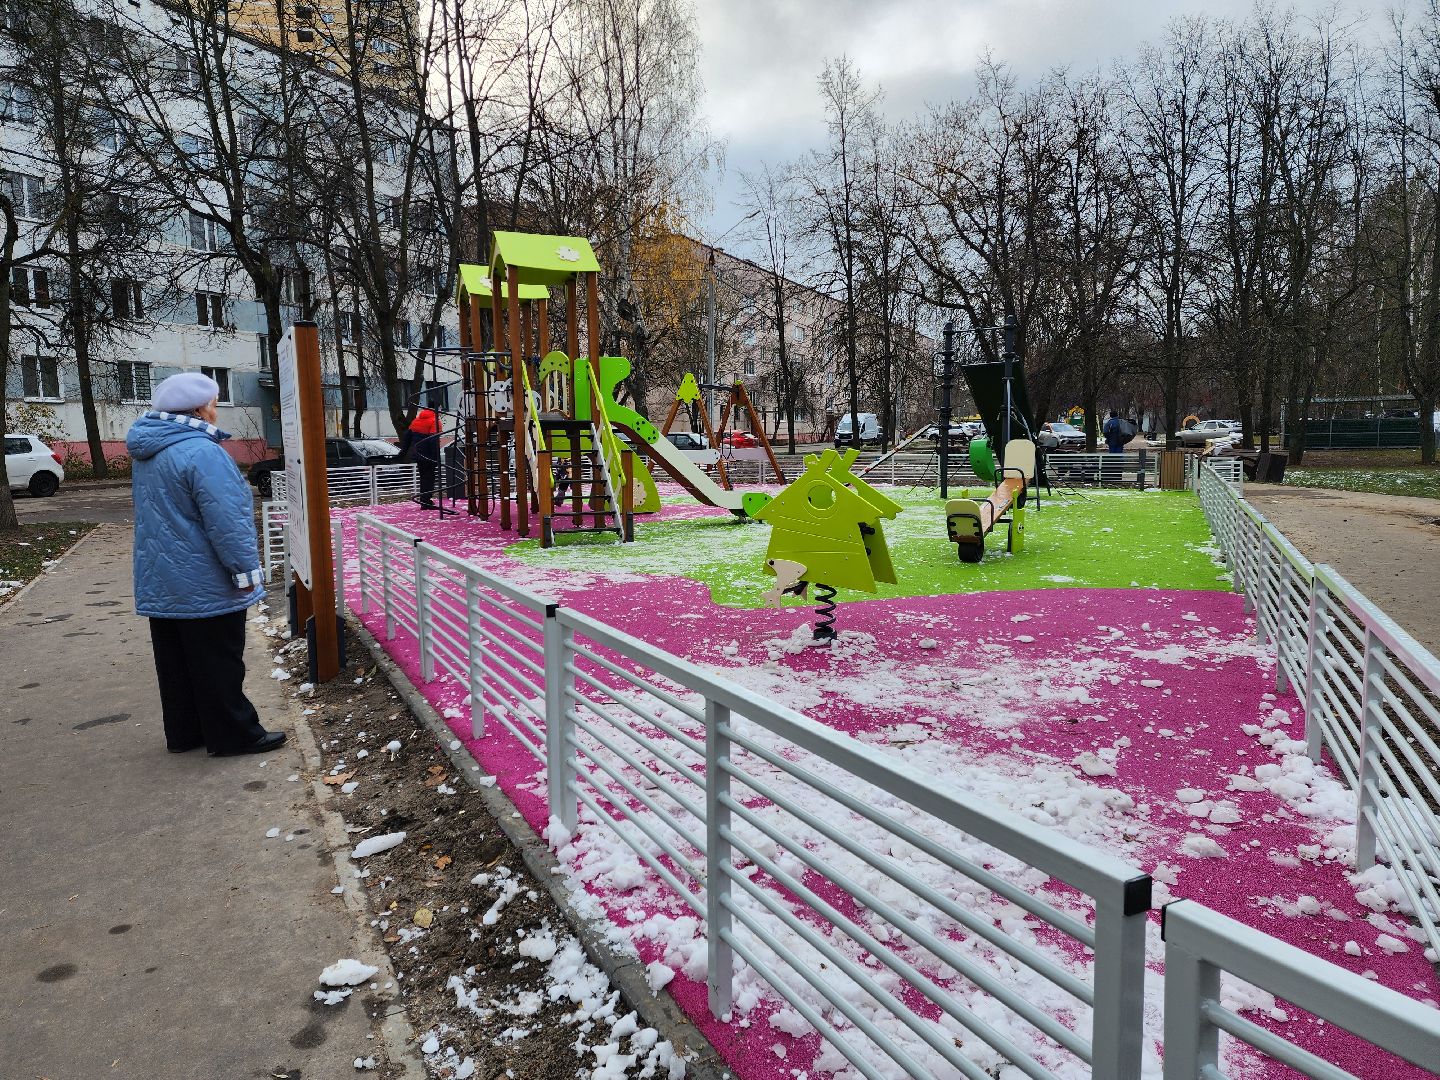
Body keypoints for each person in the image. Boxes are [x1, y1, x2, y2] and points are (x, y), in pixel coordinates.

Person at [126, 372, 283, 756]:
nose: (215, 410)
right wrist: (245, 573)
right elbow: (228, 521)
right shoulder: (203, 452)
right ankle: (235, 734)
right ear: (199, 408)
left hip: (162, 577)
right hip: (204, 578)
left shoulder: (149, 451)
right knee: (219, 661)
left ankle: (186, 733)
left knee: (176, 662)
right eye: (213, 402)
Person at [401, 406, 440, 509]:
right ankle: (426, 501)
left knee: (423, 478)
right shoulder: (435, 421)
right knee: (430, 478)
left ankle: (424, 500)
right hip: (428, 455)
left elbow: (407, 437)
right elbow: (433, 440)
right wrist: (435, 458)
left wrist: (403, 452)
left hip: (418, 454)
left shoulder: (416, 421)